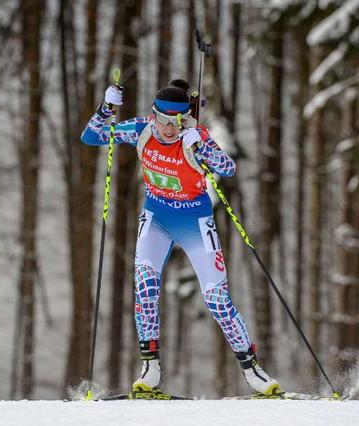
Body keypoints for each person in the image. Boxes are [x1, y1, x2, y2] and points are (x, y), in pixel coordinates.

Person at [80, 79, 280, 396]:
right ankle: (150, 367)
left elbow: (227, 168)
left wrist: (200, 146)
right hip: (157, 218)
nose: (169, 128)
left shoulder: (194, 136)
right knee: (145, 284)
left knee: (216, 298)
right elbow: (91, 137)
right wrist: (107, 108)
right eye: (163, 119)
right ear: (154, 114)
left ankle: (252, 369)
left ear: (185, 118)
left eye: (177, 121)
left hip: (194, 221)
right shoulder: (142, 129)